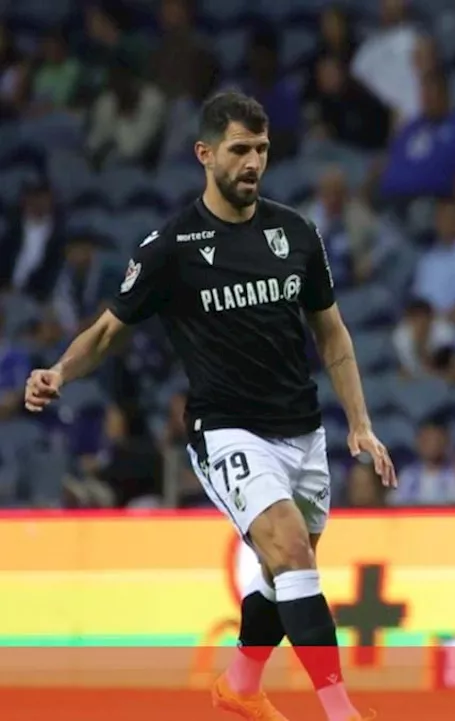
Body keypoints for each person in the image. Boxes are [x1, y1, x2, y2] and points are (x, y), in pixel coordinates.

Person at [23, 92, 395, 721]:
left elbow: (331, 333)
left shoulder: (295, 233)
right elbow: (110, 330)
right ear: (205, 154)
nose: (253, 162)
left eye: (262, 150)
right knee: (290, 552)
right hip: (226, 430)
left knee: (284, 576)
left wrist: (359, 423)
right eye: (239, 150)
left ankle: (240, 686)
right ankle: (340, 712)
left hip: (302, 431)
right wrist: (59, 369)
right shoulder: (171, 245)